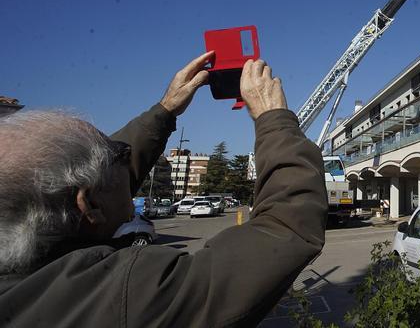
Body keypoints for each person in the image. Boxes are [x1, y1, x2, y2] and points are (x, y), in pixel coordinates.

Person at [0, 54, 328, 326]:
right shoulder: (127, 296)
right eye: (118, 155)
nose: (127, 156)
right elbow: (285, 229)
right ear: (89, 206)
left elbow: (94, 179)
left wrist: (165, 109)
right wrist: (274, 119)